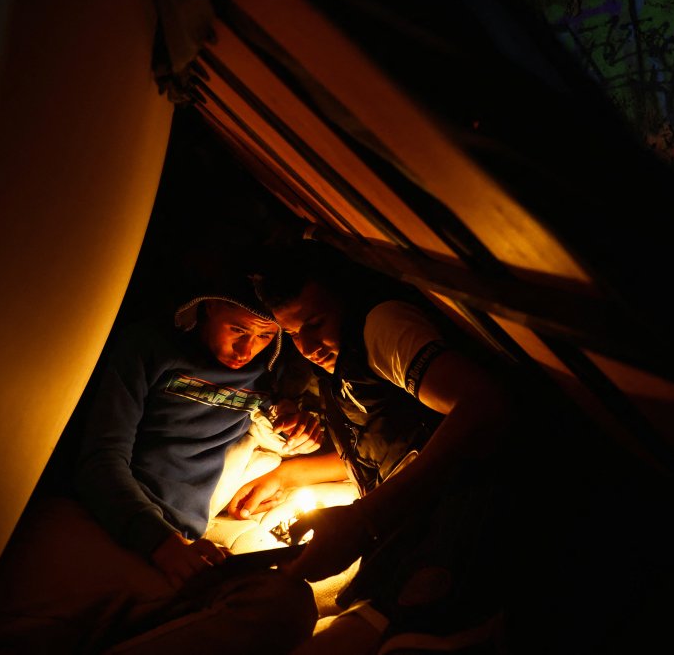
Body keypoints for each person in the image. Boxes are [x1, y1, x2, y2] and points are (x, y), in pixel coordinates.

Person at [225, 237, 548, 653]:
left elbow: (483, 405)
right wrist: (290, 473)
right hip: (407, 526)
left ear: (345, 298)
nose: (306, 348)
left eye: (315, 324)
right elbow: (387, 444)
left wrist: (363, 521)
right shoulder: (339, 366)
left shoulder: (382, 326)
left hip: (463, 512)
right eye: (291, 334)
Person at [67, 271, 325, 652]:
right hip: (116, 523)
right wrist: (159, 542)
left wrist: (295, 422)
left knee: (288, 602)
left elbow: (272, 412)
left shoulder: (269, 371)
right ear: (208, 308)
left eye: (265, 336)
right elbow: (100, 459)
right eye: (237, 329)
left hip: (187, 544)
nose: (246, 350)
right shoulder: (150, 347)